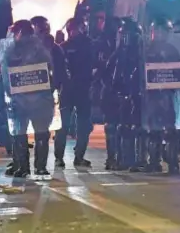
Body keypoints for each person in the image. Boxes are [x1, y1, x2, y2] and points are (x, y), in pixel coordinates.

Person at [2, 20, 54, 179]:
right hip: (41, 99)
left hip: (20, 99)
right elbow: (50, 69)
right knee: (41, 133)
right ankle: (40, 168)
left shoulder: (11, 50)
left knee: (20, 134)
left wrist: (8, 92)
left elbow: (6, 74)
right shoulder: (41, 49)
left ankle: (23, 167)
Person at [143, 17, 180, 174]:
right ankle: (155, 161)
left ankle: (171, 162)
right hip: (153, 96)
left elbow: (179, 73)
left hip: (166, 96)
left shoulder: (170, 50)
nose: (160, 34)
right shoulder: (147, 49)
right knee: (154, 131)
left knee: (169, 131)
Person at [55, 18, 94, 168]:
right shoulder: (63, 47)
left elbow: (95, 64)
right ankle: (60, 157)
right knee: (63, 126)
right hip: (69, 90)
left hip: (82, 89)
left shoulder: (88, 44)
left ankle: (79, 156)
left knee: (83, 126)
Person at [105, 18, 143, 171]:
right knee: (118, 128)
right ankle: (117, 159)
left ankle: (130, 159)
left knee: (132, 128)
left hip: (133, 94)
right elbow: (108, 73)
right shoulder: (118, 53)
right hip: (119, 94)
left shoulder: (139, 54)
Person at [94, 17, 123, 170]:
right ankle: (114, 158)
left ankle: (117, 158)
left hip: (120, 93)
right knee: (112, 127)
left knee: (119, 127)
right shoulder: (105, 49)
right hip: (111, 93)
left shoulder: (121, 51)